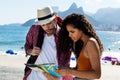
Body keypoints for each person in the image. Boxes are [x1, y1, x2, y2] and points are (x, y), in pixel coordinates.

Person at [57, 13, 104, 80]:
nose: (69, 35)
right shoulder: (81, 44)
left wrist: (70, 71)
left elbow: (97, 74)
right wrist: (67, 70)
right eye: (68, 32)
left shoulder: (91, 43)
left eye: (72, 32)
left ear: (81, 29)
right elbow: (82, 69)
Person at [23, 6, 63, 80]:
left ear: (55, 19)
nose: (46, 27)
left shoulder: (63, 34)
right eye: (43, 25)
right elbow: (27, 46)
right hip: (33, 76)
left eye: (49, 23)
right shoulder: (35, 29)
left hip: (55, 77)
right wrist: (31, 51)